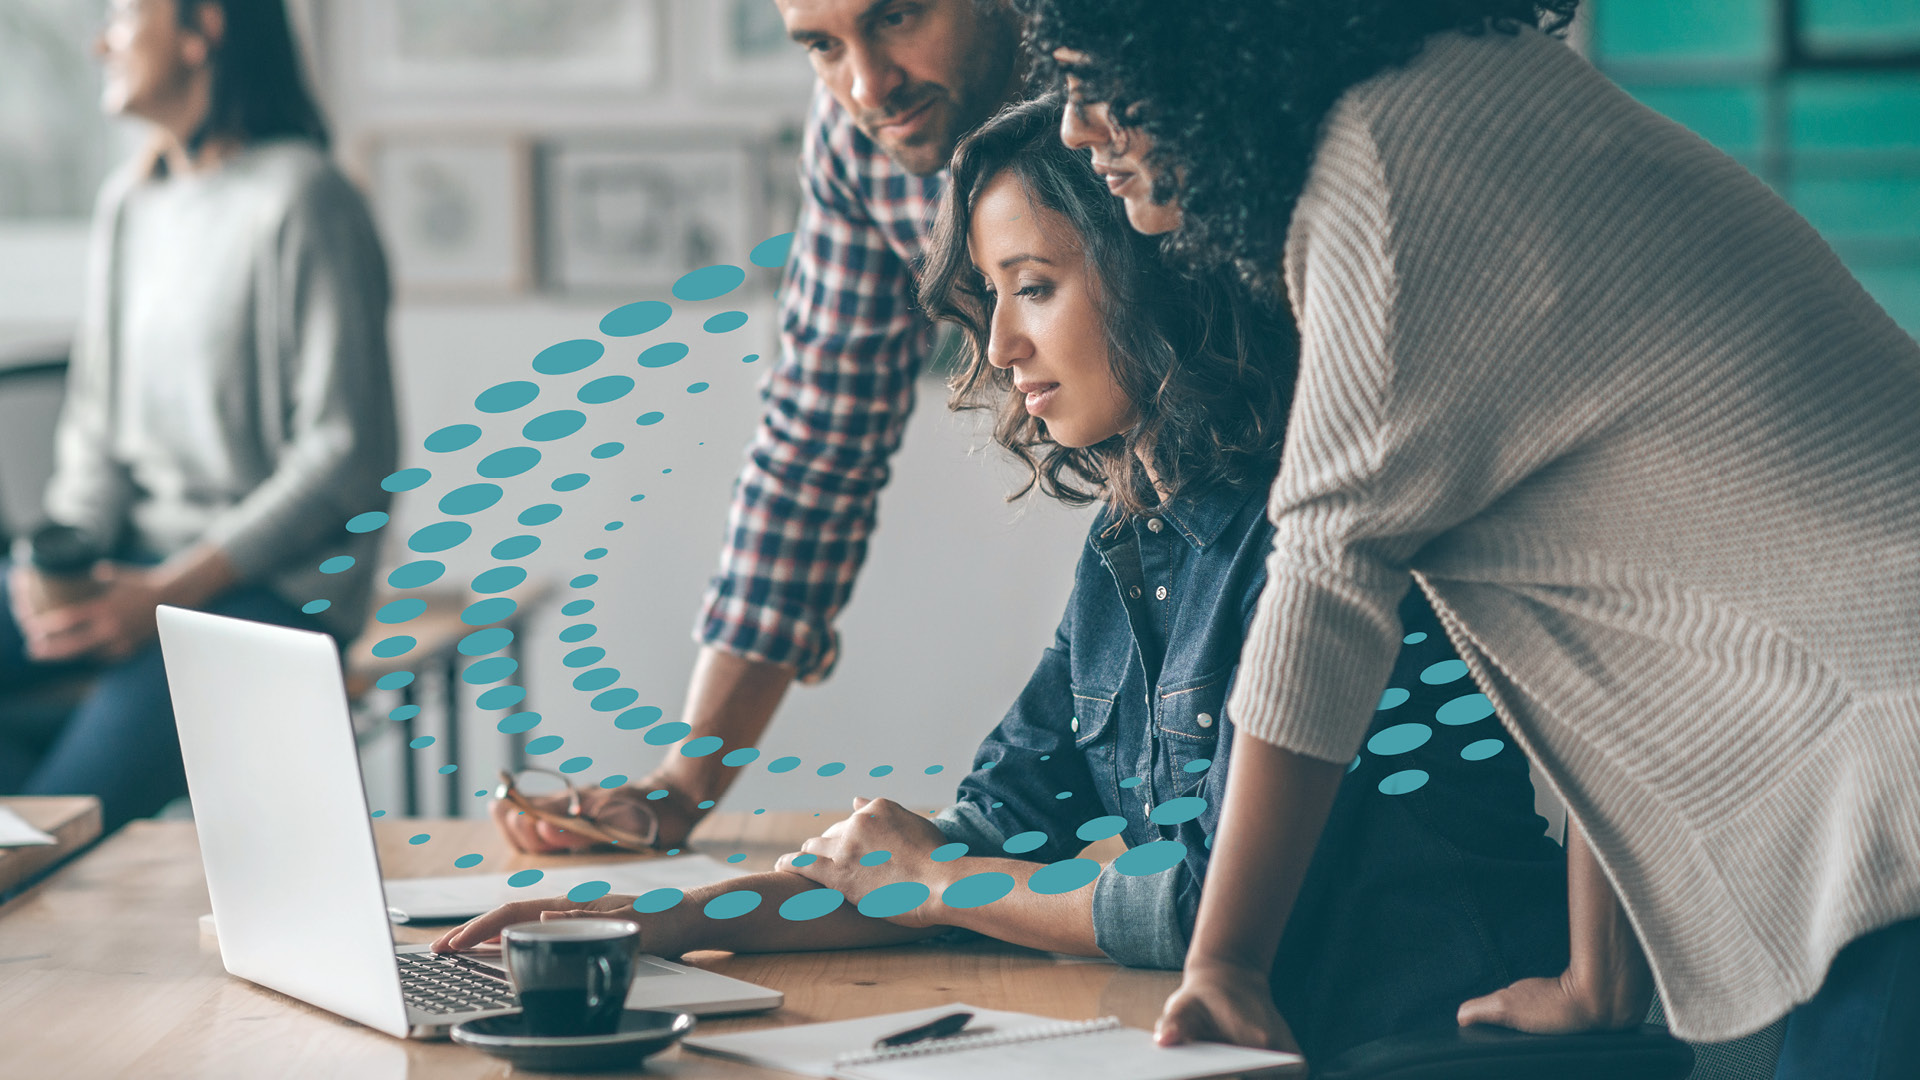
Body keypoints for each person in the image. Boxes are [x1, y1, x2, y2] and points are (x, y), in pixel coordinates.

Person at [440, 96, 1568, 1063]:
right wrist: (652, 928)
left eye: (1033, 287)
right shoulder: (1133, 541)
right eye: (989, 303)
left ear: (1156, 269)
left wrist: (934, 879)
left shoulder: (1308, 538)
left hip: (1422, 1051)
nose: (1000, 348)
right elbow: (979, 846)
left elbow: (1193, 908)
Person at [1022, 1, 1920, 1075]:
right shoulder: (1472, 94)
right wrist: (1602, 981)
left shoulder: (1388, 181)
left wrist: (1227, 967)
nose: (1076, 127)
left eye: (1099, 77)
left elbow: (1324, 589)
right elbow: (1603, 604)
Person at [492, 0, 1032, 855]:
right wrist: (680, 790)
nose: (867, 85)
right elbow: (818, 440)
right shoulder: (864, 134)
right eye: (822, 45)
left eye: (895, 17)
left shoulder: (1139, 83)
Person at [0, 0, 396, 832]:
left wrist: (166, 591)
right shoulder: (131, 203)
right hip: (131, 566)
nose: (99, 40)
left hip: (265, 597)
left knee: (49, 821)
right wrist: (60, 564)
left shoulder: (307, 198)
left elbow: (345, 456)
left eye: (120, 17)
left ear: (201, 30)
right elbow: (96, 424)